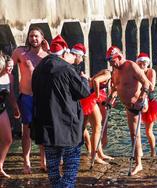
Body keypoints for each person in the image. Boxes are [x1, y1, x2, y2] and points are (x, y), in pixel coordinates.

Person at [32, 35, 91, 187]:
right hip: (68, 126)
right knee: (71, 167)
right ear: (64, 53)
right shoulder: (67, 69)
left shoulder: (38, 68)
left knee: (52, 166)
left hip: (46, 125)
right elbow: (83, 92)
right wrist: (84, 79)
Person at [106, 46, 152, 176]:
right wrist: (111, 98)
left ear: (119, 57)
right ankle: (140, 154)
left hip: (137, 105)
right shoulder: (115, 70)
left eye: (112, 60)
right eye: (109, 61)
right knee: (134, 134)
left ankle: (138, 164)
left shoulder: (131, 66)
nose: (111, 63)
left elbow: (146, 83)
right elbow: (116, 87)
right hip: (127, 106)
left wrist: (142, 98)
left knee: (134, 135)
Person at [11, 26, 48, 174]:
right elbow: (8, 66)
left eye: (36, 36)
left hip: (43, 97)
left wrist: (49, 50)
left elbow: (59, 65)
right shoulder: (20, 52)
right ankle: (26, 162)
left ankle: (43, 161)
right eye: (31, 36)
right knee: (26, 130)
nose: (34, 38)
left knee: (43, 130)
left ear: (42, 38)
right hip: (26, 96)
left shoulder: (47, 55)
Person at [136, 52, 157, 157]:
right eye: (140, 63)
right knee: (136, 130)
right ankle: (139, 152)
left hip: (150, 103)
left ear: (148, 63)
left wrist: (142, 75)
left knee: (148, 131)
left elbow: (151, 87)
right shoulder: (135, 72)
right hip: (138, 101)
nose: (143, 64)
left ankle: (153, 152)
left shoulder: (151, 72)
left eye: (145, 62)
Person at [0, 54, 20, 178]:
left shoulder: (10, 77)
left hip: (2, 110)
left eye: (12, 67)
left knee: (8, 140)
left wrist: (15, 108)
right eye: (8, 66)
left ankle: (0, 165)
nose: (10, 69)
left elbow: (11, 94)